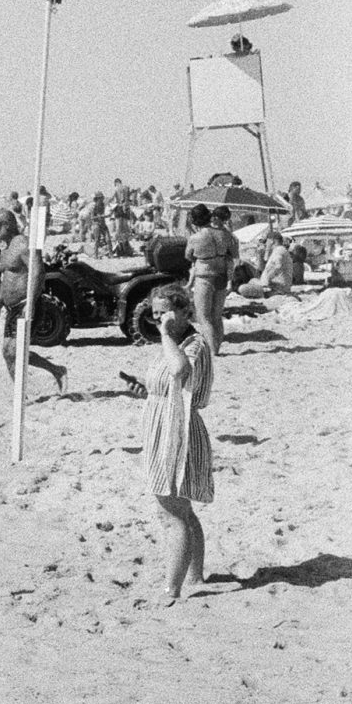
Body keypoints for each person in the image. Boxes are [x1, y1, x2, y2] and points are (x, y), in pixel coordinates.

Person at [138, 285, 215, 605]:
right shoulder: (177, 341)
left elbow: (181, 370)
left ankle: (173, 588)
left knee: (173, 513)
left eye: (166, 313)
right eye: (155, 315)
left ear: (185, 311)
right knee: (183, 508)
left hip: (177, 431)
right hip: (165, 427)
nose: (160, 321)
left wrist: (167, 335)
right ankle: (195, 575)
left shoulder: (193, 344)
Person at [0, 211, 68, 398]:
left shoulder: (23, 244)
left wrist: (31, 301)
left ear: (7, 225)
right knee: (8, 353)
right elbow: (6, 279)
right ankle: (24, 393)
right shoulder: (6, 249)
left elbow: (38, 272)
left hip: (26, 303)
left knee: (16, 351)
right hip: (11, 308)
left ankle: (55, 372)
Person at [184, 204, 237, 353]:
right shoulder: (224, 234)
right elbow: (232, 252)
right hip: (221, 275)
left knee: (203, 317)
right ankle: (217, 346)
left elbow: (188, 255)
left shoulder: (196, 238)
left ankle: (213, 350)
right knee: (217, 316)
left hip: (204, 277)